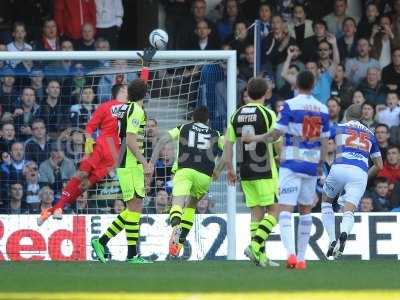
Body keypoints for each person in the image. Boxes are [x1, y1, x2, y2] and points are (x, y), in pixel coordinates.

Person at [242, 71, 330, 270]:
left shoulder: (290, 105)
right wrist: (320, 165)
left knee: (285, 210)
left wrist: (255, 138)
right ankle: (301, 258)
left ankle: (290, 254)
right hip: (311, 163)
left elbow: (276, 132)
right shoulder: (323, 108)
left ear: (297, 84)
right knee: (306, 210)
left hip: (291, 162)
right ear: (314, 85)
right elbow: (325, 141)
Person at [37, 83, 128, 225]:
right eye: (127, 89)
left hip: (114, 155)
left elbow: (142, 88)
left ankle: (51, 211)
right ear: (121, 91)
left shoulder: (132, 107)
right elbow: (90, 127)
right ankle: (59, 208)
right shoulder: (105, 106)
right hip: (102, 146)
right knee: (81, 175)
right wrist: (88, 148)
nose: (131, 92)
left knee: (85, 185)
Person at [91, 79, 154, 264]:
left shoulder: (128, 108)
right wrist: (144, 163)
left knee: (134, 209)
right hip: (131, 164)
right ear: (146, 94)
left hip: (127, 163)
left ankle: (126, 252)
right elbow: (132, 139)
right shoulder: (136, 110)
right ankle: (110, 245)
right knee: (134, 208)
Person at [151, 106, 224, 257]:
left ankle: (176, 226)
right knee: (191, 206)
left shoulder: (184, 127)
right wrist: (219, 169)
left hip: (184, 170)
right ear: (208, 121)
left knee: (177, 204)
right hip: (204, 175)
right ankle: (180, 241)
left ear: (192, 118)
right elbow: (229, 149)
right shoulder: (216, 134)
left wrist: (152, 162)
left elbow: (163, 139)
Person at [225, 78, 279, 268]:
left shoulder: (236, 114)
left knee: (256, 213)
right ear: (266, 93)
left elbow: (228, 143)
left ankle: (260, 257)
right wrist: (280, 156)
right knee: (274, 211)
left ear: (248, 91)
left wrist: (230, 169)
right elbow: (275, 137)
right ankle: (254, 246)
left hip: (244, 167)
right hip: (264, 166)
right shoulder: (267, 113)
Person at [320, 104, 383, 258]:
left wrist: (323, 160)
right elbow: (379, 165)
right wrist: (363, 177)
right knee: (349, 209)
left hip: (339, 167)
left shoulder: (339, 127)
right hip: (359, 172)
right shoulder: (370, 134)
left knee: (326, 202)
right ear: (361, 117)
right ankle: (344, 233)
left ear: (346, 114)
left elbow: (322, 139)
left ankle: (332, 240)